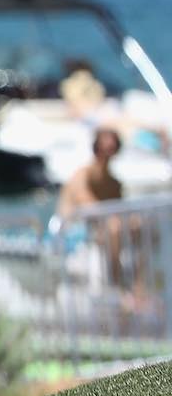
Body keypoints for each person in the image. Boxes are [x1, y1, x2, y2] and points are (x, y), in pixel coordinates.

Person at [58, 127, 138, 298]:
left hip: (98, 232)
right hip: (74, 234)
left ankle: (139, 291)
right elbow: (88, 206)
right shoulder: (82, 176)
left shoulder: (114, 183)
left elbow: (118, 212)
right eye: (106, 148)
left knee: (139, 226)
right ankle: (116, 289)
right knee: (114, 227)